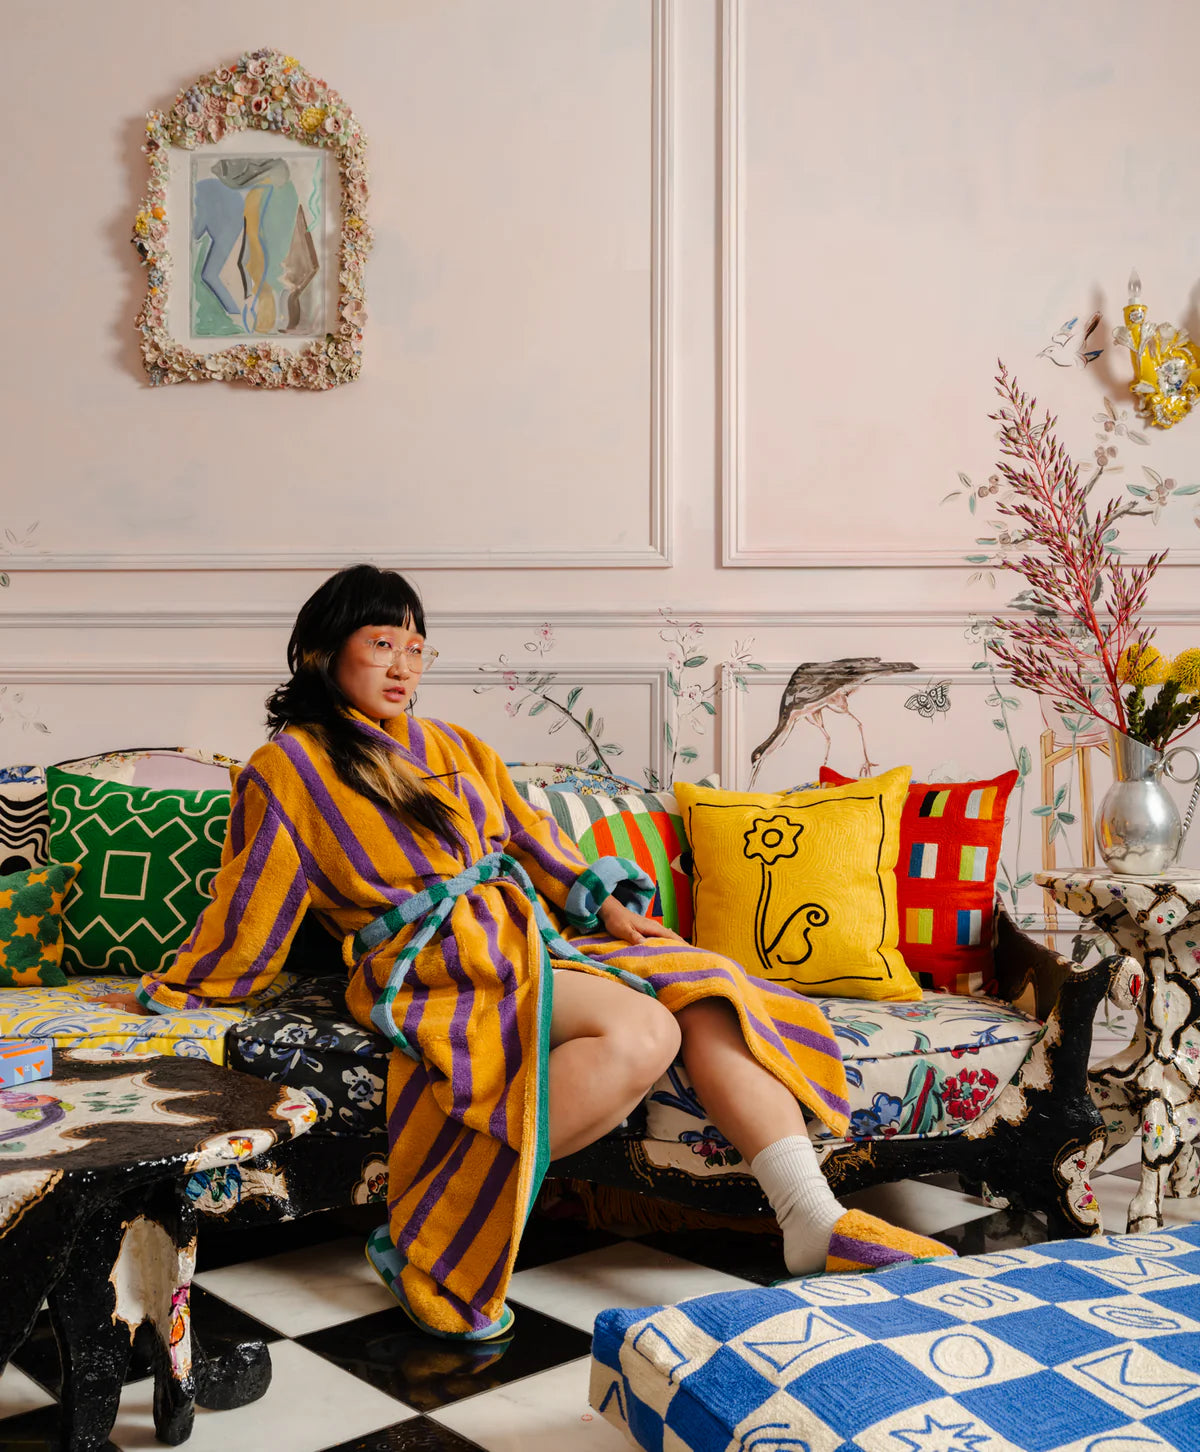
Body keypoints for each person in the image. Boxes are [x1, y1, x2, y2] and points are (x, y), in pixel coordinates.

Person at [101, 565, 951, 1341]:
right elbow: (252, 901)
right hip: (430, 962)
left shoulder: (456, 747)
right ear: (323, 652)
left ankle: (810, 1216)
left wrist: (609, 910)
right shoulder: (287, 766)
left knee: (703, 985)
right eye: (383, 643)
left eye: (417, 649)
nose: (403, 666)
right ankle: (427, 1232)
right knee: (642, 1032)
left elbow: (531, 838)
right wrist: (177, 991)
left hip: (528, 933)